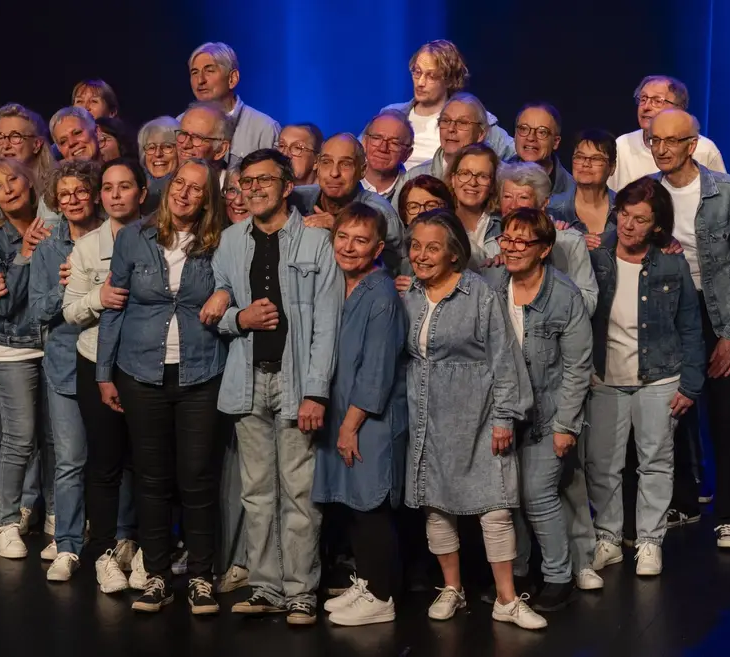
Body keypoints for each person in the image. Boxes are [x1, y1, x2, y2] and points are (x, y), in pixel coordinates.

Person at [202, 148, 344, 626]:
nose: (255, 188)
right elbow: (215, 311)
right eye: (247, 182)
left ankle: (301, 589)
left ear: (288, 187)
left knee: (299, 494)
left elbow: (327, 324)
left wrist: (316, 392)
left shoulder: (315, 241)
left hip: (296, 380)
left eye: (265, 180)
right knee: (256, 493)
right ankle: (265, 586)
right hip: (246, 380)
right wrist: (236, 317)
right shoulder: (229, 241)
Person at [95, 158, 228, 614]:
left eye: (196, 188)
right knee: (151, 479)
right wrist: (103, 373)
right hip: (140, 373)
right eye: (179, 184)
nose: (185, 193)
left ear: (208, 198)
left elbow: (234, 290)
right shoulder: (134, 236)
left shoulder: (219, 242)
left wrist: (225, 294)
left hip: (201, 372)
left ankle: (201, 577)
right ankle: (155, 576)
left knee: (196, 477)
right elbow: (114, 306)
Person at [401, 209, 545, 630]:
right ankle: (452, 589)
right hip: (427, 415)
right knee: (437, 507)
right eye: (415, 246)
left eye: (432, 248)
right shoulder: (408, 293)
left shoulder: (478, 294)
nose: (421, 256)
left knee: (494, 507)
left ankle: (506, 598)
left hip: (478, 414)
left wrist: (504, 416)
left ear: (454, 255)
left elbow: (504, 357)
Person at [650, 109, 730, 549]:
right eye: (654, 140)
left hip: (718, 311)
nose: (661, 148)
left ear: (691, 145)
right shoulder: (649, 194)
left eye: (670, 141)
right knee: (672, 410)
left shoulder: (727, 191)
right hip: (671, 310)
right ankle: (683, 501)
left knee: (723, 413)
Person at [586, 176, 705, 577]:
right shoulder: (596, 256)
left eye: (640, 219)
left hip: (659, 376)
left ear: (657, 225)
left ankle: (650, 541)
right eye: (624, 214)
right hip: (604, 375)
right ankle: (608, 537)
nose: (629, 225)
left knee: (655, 461)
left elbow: (690, 325)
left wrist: (690, 383)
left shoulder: (671, 262)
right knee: (603, 463)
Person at [479, 208, 593, 612]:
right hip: (505, 414)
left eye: (521, 241)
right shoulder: (493, 285)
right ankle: (521, 572)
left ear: (544, 249)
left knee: (538, 496)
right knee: (508, 498)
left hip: (548, 416)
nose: (510, 248)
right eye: (506, 239)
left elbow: (578, 367)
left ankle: (559, 576)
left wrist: (566, 425)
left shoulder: (564, 296)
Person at [313, 203, 408, 627]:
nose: (349, 247)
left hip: (369, 420)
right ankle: (366, 582)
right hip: (343, 414)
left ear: (378, 247)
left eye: (361, 240)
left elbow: (377, 370)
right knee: (353, 503)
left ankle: (382, 596)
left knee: (371, 506)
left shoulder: (382, 294)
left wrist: (351, 426)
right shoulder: (341, 284)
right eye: (343, 238)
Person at [62, 158, 150, 592]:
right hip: (95, 361)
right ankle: (101, 552)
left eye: (126, 186)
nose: (116, 195)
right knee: (105, 461)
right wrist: (98, 296)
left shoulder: (159, 237)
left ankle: (136, 543)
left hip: (146, 364)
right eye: (109, 188)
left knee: (145, 460)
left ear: (142, 193)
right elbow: (70, 310)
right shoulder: (86, 247)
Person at [0, 158, 56, 559]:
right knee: (19, 438)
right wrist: (24, 256)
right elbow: (2, 308)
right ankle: (5, 522)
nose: (7, 189)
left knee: (55, 439)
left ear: (30, 182)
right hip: (11, 351)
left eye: (12, 180)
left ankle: (56, 516)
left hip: (55, 345)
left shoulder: (55, 226)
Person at [29, 160, 103, 580]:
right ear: (55, 200)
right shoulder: (47, 246)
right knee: (70, 460)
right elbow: (37, 310)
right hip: (63, 363)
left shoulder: (117, 237)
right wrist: (67, 285)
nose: (73, 200)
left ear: (94, 194)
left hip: (111, 361)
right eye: (65, 194)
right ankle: (68, 544)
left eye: (80, 191)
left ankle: (121, 542)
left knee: (115, 459)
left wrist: (90, 283)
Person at [379, 40, 514, 167]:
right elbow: (363, 152)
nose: (420, 83)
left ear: (449, 80)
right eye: (417, 72)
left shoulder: (475, 119)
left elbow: (516, 155)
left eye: (431, 76)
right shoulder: (392, 115)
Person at [487, 162, 598, 316]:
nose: (512, 205)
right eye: (507, 197)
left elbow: (589, 303)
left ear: (543, 203)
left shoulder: (570, 242)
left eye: (523, 197)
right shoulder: (491, 247)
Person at [287, 134, 404, 272]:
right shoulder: (296, 198)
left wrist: (339, 227)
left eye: (345, 164)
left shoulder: (380, 212)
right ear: (317, 165)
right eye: (327, 162)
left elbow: (392, 273)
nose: (334, 173)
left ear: (362, 170)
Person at [608, 76, 726, 192]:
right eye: (643, 99)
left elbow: (722, 199)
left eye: (657, 101)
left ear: (679, 108)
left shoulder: (705, 149)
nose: (646, 107)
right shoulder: (622, 145)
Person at [187, 41, 280, 161]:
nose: (200, 80)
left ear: (232, 79)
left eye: (209, 71)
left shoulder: (264, 129)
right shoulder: (179, 124)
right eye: (194, 72)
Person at [397, 92, 491, 199]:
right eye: (446, 121)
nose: (451, 129)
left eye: (462, 123)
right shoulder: (414, 176)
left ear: (481, 134)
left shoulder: (497, 177)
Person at [551, 130, 618, 249]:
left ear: (612, 167)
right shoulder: (552, 208)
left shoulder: (624, 209)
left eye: (596, 158)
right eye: (580, 157)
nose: (586, 164)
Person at [444, 143, 502, 266]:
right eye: (465, 173)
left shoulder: (504, 226)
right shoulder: (439, 223)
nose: (473, 182)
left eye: (482, 176)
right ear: (453, 179)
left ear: (492, 185)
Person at [393, 174, 455, 290]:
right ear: (404, 216)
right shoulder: (397, 257)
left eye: (431, 205)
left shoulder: (467, 252)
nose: (422, 213)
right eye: (414, 207)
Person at [510, 103, 575, 208]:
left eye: (542, 132)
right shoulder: (496, 179)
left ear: (556, 142)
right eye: (524, 129)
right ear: (515, 135)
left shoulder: (572, 192)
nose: (531, 138)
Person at [360, 110, 414, 202]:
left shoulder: (413, 192)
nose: (383, 148)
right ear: (364, 142)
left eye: (394, 143)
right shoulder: (345, 185)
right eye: (376, 138)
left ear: (407, 154)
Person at [138, 116, 182, 213]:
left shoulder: (182, 191)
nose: (158, 154)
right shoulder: (135, 183)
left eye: (167, 146)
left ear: (180, 151)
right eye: (151, 147)